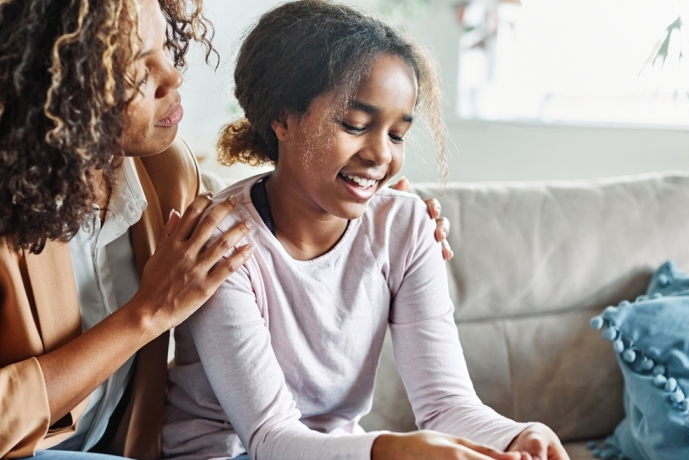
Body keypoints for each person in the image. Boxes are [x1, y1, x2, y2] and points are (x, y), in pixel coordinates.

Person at [0, 0, 450, 458]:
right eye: (138, 68)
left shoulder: (165, 170)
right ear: (57, 87)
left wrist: (371, 199)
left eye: (167, 49)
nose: (174, 78)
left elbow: (264, 205)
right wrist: (146, 313)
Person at [162, 1, 570, 460]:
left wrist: (517, 436)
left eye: (396, 135)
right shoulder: (224, 244)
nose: (381, 155)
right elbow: (269, 438)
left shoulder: (406, 226)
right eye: (355, 125)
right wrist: (394, 449)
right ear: (283, 118)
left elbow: (446, 404)